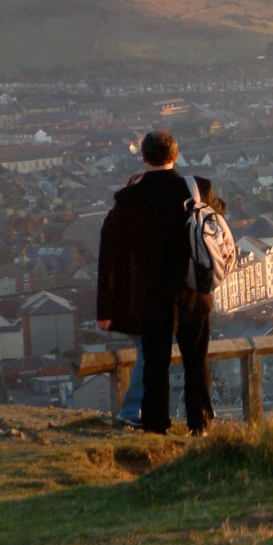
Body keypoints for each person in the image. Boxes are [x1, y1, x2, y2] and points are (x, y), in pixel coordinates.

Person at [96, 129, 223, 436]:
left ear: (143, 157)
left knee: (155, 365)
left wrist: (105, 308)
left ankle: (156, 425)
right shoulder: (197, 189)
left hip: (152, 296)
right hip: (194, 290)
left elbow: (108, 251)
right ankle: (200, 424)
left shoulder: (129, 199)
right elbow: (218, 216)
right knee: (196, 361)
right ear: (175, 155)